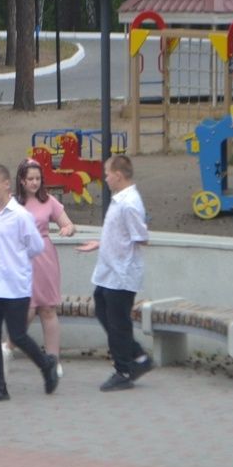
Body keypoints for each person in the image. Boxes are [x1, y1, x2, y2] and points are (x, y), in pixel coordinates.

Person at [0, 164, 60, 403]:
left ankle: (46, 364)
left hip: (15, 286)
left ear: (7, 185)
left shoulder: (20, 216)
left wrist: (16, 260)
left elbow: (36, 246)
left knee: (17, 335)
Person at [77, 154, 154, 392]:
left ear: (118, 176)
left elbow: (141, 237)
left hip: (122, 274)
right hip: (109, 272)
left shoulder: (129, 204)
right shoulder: (119, 200)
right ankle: (139, 357)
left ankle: (123, 371)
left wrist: (119, 249)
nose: (106, 178)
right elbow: (119, 233)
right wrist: (101, 243)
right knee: (103, 310)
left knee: (118, 323)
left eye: (107, 173)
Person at [15, 158, 76, 378]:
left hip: (44, 256)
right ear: (21, 180)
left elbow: (67, 223)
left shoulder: (49, 201)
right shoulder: (13, 203)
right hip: (21, 258)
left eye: (38, 178)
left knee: (48, 308)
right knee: (26, 310)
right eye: (30, 179)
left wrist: (67, 229)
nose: (34, 183)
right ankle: (8, 348)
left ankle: (53, 359)